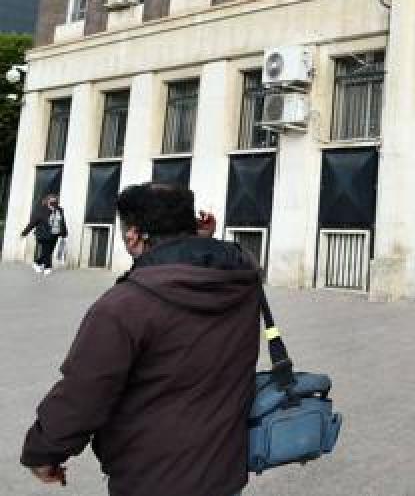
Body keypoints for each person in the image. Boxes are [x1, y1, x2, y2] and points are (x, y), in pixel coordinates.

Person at [20, 183, 261, 495]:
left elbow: (85, 392)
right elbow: (226, 255)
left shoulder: (124, 305)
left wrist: (43, 451)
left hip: (152, 478)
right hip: (224, 472)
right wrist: (199, 239)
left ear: (133, 235)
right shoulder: (242, 279)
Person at [21, 193, 68, 275]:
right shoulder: (41, 210)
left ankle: (37, 263)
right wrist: (24, 233)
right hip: (44, 234)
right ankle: (47, 267)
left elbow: (62, 222)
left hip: (55, 234)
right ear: (47, 201)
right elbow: (33, 223)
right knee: (46, 251)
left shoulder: (59, 210)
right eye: (52, 201)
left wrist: (64, 233)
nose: (54, 202)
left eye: (55, 201)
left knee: (49, 251)